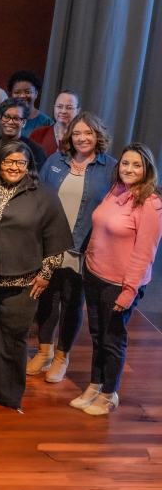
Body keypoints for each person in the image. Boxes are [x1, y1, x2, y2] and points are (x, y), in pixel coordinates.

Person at [0, 141, 71, 410]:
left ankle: (8, 393)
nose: (14, 167)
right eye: (8, 161)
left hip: (24, 282)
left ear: (29, 166)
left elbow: (55, 240)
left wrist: (45, 275)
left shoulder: (43, 194)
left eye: (20, 162)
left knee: (14, 335)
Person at [29, 113, 116, 382]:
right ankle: (44, 351)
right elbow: (40, 195)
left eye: (88, 133)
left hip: (84, 248)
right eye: (77, 133)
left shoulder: (110, 167)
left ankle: (62, 356)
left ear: (98, 135)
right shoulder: (57, 161)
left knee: (71, 302)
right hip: (50, 244)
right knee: (46, 299)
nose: (81, 138)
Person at [77, 144, 162, 415]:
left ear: (147, 169)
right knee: (96, 334)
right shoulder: (116, 190)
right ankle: (95, 383)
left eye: (137, 165)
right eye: (125, 163)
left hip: (119, 284)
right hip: (94, 275)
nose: (129, 169)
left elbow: (144, 253)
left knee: (112, 339)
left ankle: (108, 394)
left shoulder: (151, 203)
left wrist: (128, 291)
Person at [0, 71, 52, 146]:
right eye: (17, 92)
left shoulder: (46, 122)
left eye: (27, 92)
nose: (22, 96)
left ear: (36, 93)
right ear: (11, 94)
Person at [0, 99, 48, 170]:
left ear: (24, 122)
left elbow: (36, 180)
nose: (10, 122)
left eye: (16, 118)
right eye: (6, 117)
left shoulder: (35, 152)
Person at [30, 90, 80, 157]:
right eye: (59, 106)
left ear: (78, 111)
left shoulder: (82, 138)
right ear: (54, 108)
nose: (63, 111)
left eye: (69, 108)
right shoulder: (38, 134)